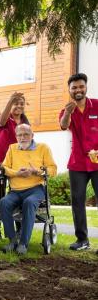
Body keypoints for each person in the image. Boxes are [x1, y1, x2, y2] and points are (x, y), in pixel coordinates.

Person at [0, 124, 57, 255]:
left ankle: (23, 243)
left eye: (26, 134)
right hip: (15, 190)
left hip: (35, 189)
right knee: (3, 202)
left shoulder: (43, 148)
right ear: (16, 136)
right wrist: (17, 173)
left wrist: (37, 171)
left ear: (32, 135)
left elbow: (53, 170)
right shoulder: (12, 148)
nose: (22, 137)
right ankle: (12, 241)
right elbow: (5, 168)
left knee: (29, 202)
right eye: (19, 135)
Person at [59, 73, 98, 251]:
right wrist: (68, 112)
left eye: (80, 86)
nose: (78, 90)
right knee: (77, 201)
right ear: (69, 90)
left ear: (86, 87)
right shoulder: (67, 109)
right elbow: (64, 125)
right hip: (77, 164)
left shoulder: (96, 105)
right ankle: (82, 240)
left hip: (97, 162)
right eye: (74, 87)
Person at [0, 92, 29, 227]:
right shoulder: (5, 117)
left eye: (21, 104)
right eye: (16, 103)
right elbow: (1, 121)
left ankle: (19, 228)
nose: (19, 106)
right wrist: (10, 100)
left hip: (17, 164)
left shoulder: (25, 122)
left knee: (18, 194)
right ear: (10, 105)